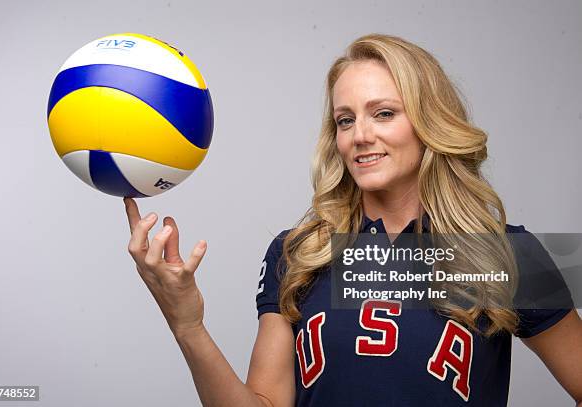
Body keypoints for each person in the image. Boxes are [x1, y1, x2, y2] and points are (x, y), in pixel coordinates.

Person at [123, 33, 582, 406]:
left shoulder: (504, 253)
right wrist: (187, 325)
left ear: (429, 122)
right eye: (345, 120)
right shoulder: (300, 252)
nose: (360, 136)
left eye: (383, 113)